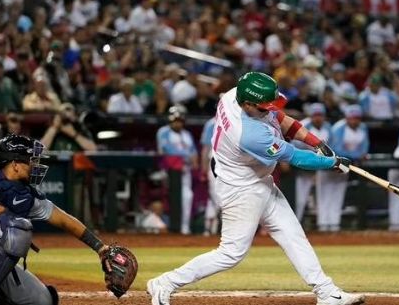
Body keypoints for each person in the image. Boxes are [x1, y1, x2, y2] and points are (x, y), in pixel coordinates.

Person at [147, 72, 365, 305]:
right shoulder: (248, 134)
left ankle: (327, 292)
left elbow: (279, 117)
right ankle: (165, 282)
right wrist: (332, 163)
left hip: (257, 179)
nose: (268, 110)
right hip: (241, 188)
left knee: (292, 235)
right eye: (263, 107)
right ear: (248, 104)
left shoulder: (235, 94)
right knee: (231, 253)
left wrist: (317, 142)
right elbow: (295, 157)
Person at [0, 134, 128, 305]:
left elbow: (63, 219)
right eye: (31, 160)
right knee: (17, 228)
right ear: (15, 165)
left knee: (43, 300)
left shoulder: (25, 194)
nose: (35, 165)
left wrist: (99, 248)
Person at [156, 105, 197, 235]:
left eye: (179, 120)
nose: (177, 123)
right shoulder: (164, 131)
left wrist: (193, 159)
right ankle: (172, 226)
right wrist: (186, 155)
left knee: (187, 196)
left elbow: (194, 151)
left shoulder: (187, 134)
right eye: (175, 120)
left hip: (185, 170)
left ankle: (184, 226)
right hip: (168, 170)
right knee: (171, 199)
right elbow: (165, 149)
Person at [327, 105, 369, 232]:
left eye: (357, 118)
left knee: (338, 195)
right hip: (332, 164)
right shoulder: (338, 128)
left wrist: (358, 157)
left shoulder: (363, 128)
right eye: (352, 118)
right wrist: (355, 157)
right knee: (326, 195)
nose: (354, 120)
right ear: (347, 118)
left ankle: (334, 225)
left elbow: (364, 147)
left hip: (346, 165)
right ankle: (323, 224)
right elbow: (336, 149)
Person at [292, 103, 332, 224]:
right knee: (299, 199)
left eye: (320, 115)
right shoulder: (303, 126)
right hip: (303, 166)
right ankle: (295, 224)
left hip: (320, 167)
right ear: (310, 115)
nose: (318, 118)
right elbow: (294, 146)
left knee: (322, 198)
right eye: (315, 115)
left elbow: (332, 147)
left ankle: (323, 225)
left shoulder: (328, 127)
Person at [199, 116, 220, 236]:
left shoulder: (238, 119)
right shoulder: (212, 123)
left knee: (218, 198)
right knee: (215, 196)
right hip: (215, 164)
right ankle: (211, 227)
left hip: (231, 165)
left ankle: (211, 228)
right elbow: (206, 148)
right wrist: (203, 169)